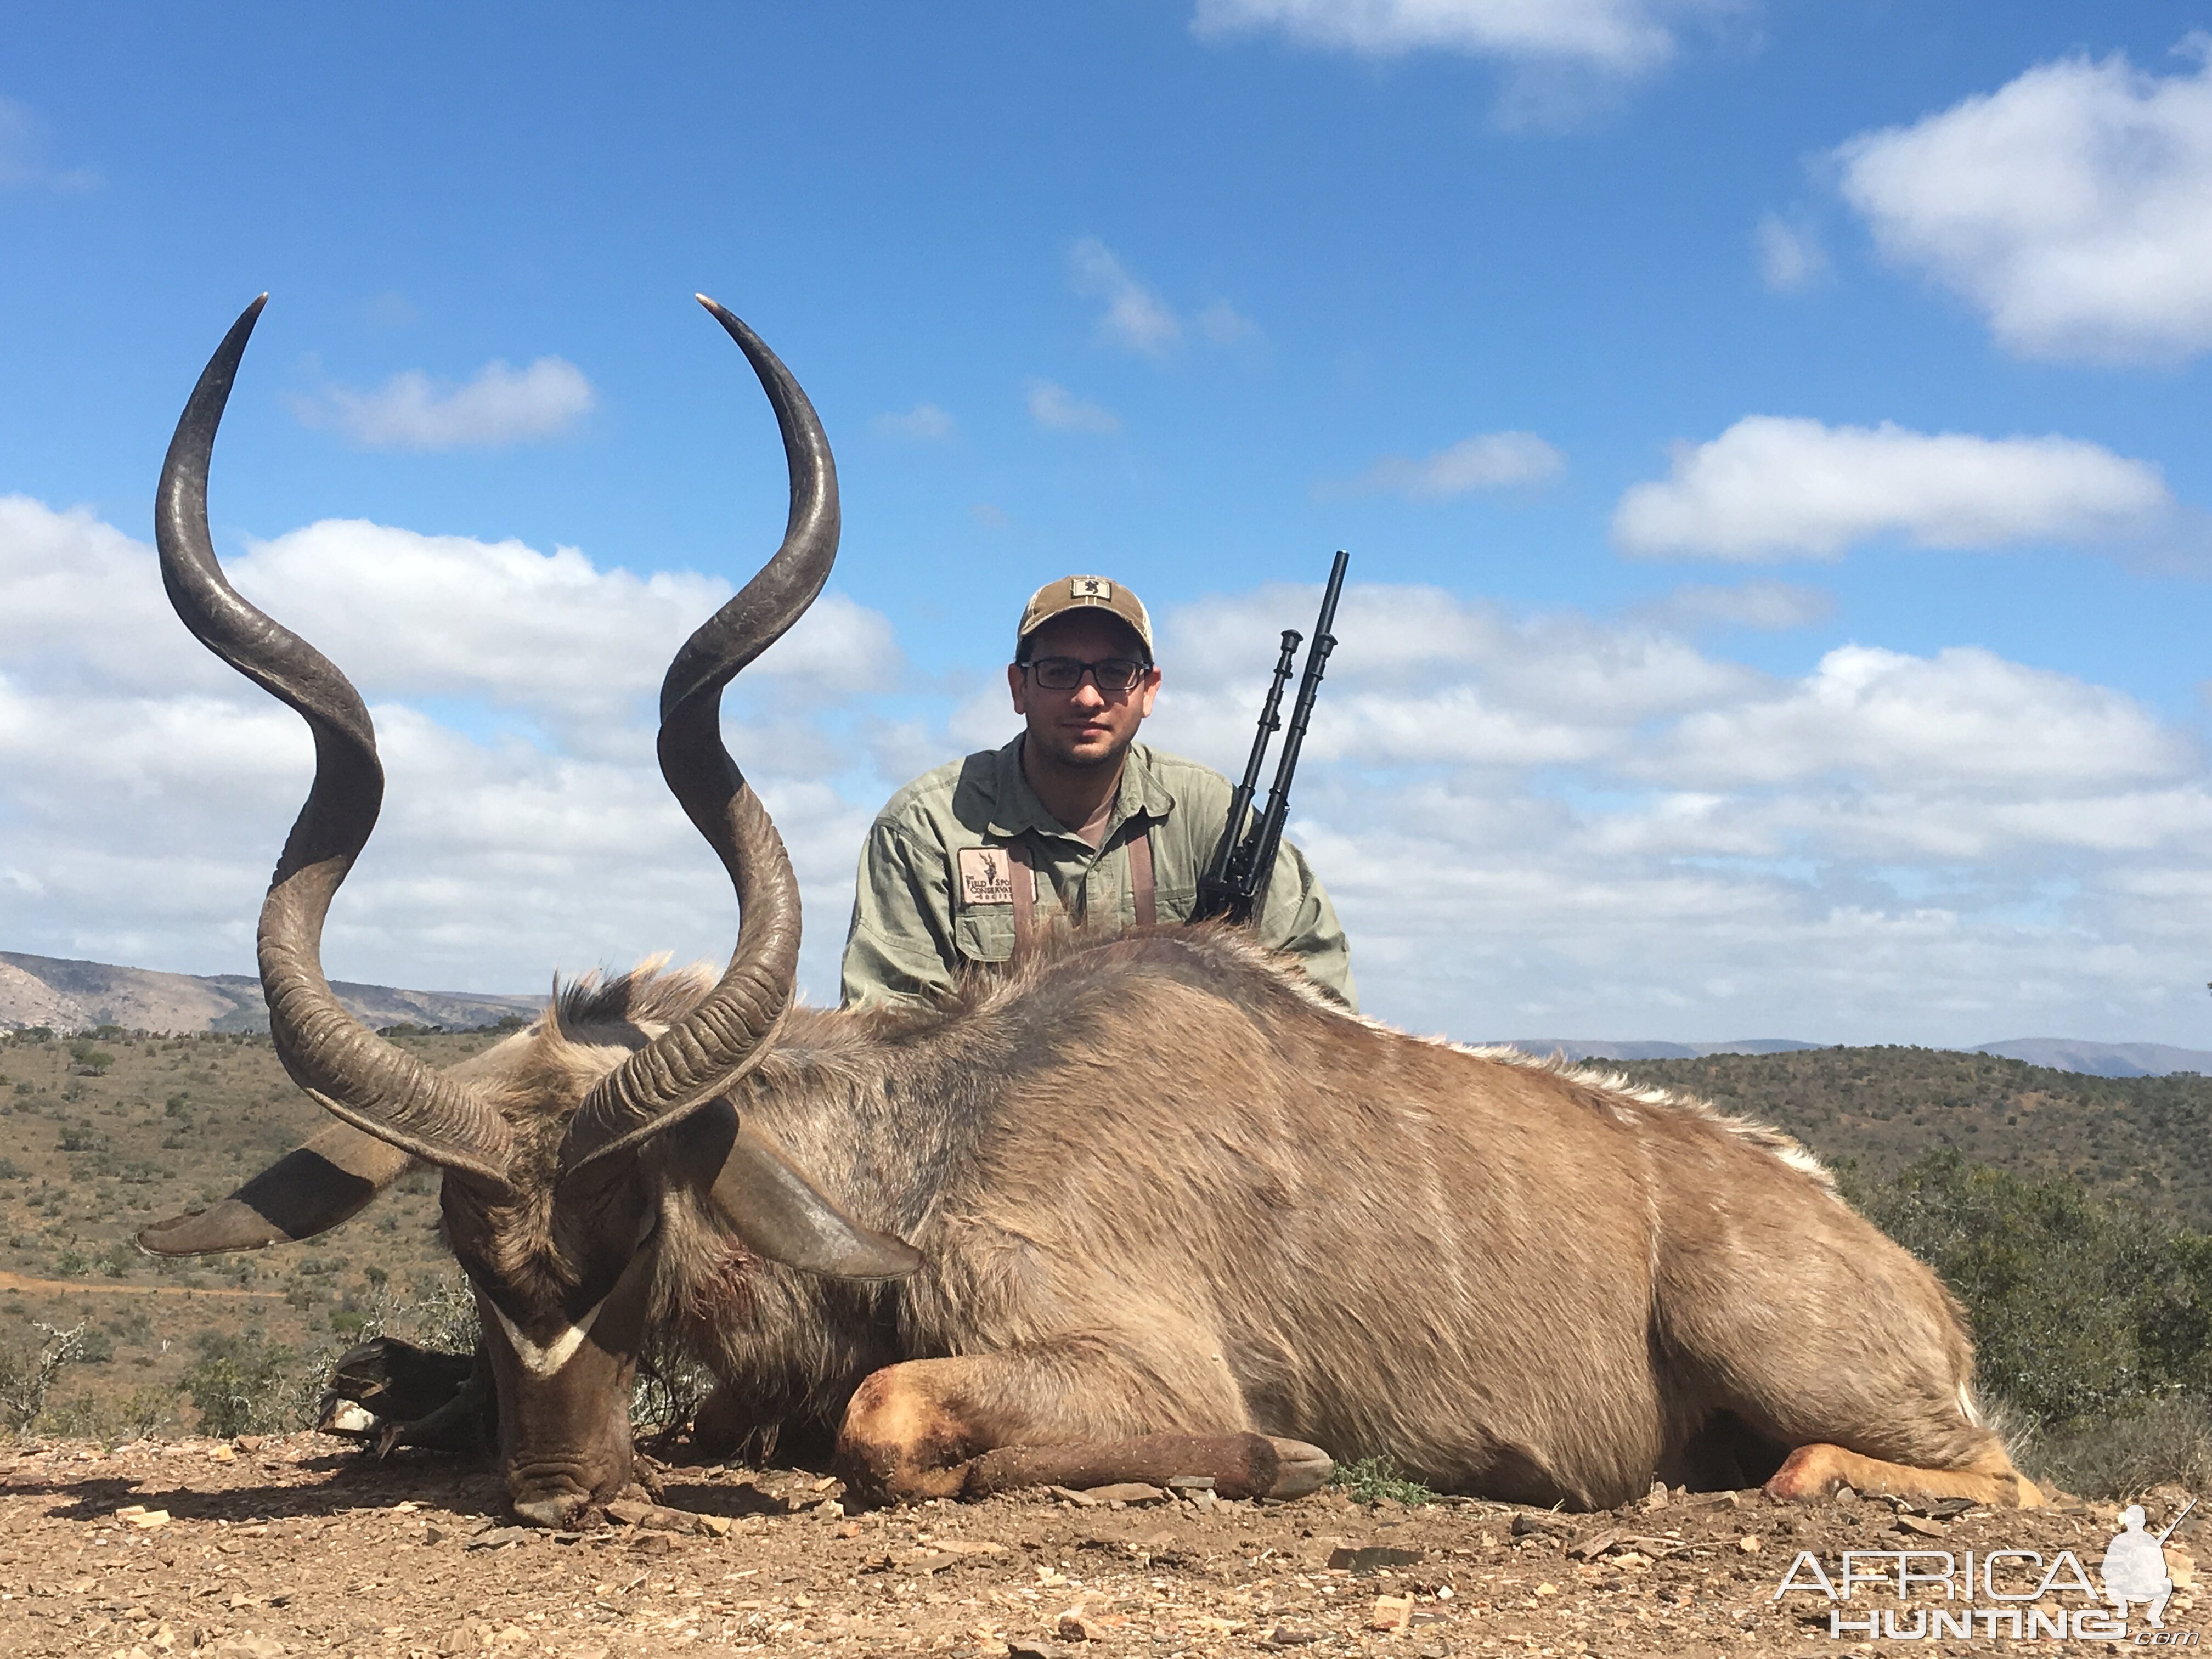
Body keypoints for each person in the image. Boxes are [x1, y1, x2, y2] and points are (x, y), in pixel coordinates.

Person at [840, 573, 1356, 1011]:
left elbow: (1322, 1001)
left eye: (1114, 673)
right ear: (1019, 687)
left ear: (1149, 689)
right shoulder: (927, 826)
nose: (1088, 697)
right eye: (1059, 672)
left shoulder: (1215, 814)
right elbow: (890, 1035)